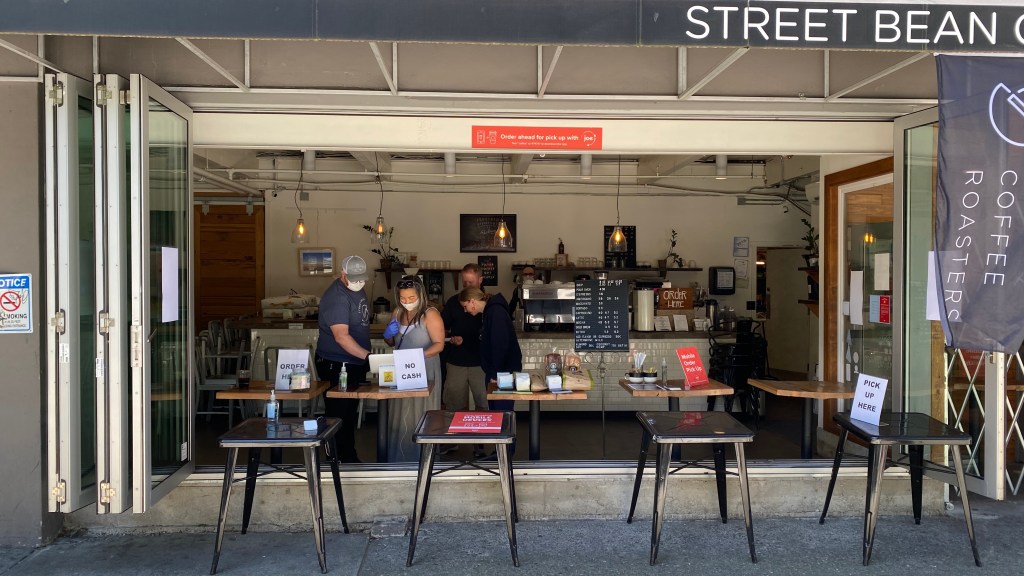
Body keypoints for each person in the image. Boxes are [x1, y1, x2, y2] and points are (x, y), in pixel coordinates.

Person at [314, 255, 371, 464]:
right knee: (338, 416)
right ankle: (336, 461)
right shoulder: (337, 297)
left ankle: (349, 458)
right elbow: (341, 337)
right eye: (354, 279)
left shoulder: (357, 289)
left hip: (353, 362)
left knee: (348, 415)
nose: (359, 282)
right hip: (337, 364)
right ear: (343, 274)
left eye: (362, 278)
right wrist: (369, 357)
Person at [382, 275, 444, 461]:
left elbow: (439, 344)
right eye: (403, 298)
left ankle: (423, 460)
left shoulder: (430, 314)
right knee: (399, 413)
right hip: (402, 370)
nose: (407, 302)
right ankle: (398, 459)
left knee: (421, 414)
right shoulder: (397, 312)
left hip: (425, 370)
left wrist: (419, 356)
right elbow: (391, 342)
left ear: (421, 295)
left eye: (411, 298)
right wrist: (387, 334)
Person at [459, 287, 522, 413]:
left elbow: (501, 345)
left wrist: (495, 374)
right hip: (499, 371)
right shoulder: (491, 311)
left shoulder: (496, 312)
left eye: (465, 306)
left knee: (501, 413)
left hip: (502, 373)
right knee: (496, 412)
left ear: (472, 301)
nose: (465, 311)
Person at [441, 264, 486, 415]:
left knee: (485, 405)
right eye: (464, 282)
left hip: (482, 362)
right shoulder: (453, 302)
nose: (466, 286)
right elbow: (442, 329)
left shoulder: (488, 304)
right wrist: (450, 338)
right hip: (456, 361)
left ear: (480, 280)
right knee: (454, 407)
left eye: (470, 282)